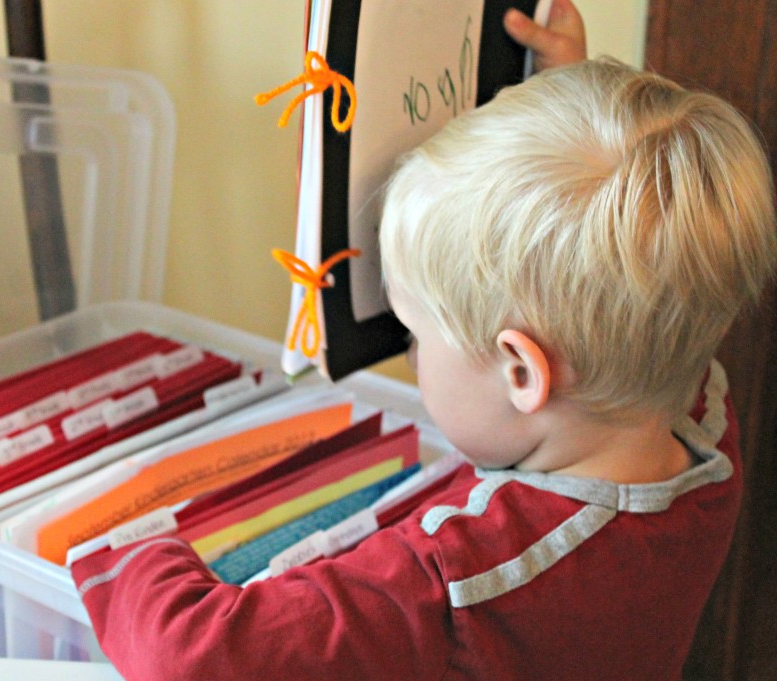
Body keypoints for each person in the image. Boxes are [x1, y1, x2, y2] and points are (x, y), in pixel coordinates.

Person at [70, 7, 777, 680]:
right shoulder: (702, 420)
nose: (408, 352)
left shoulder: (451, 581)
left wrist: (132, 554)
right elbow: (642, 269)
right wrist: (564, 85)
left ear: (521, 370)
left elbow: (192, 655)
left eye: (413, 331)